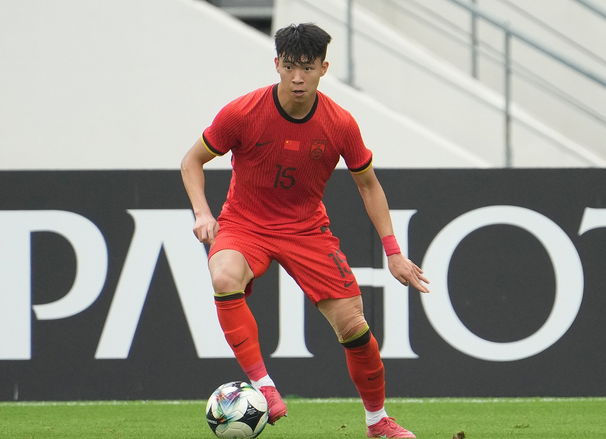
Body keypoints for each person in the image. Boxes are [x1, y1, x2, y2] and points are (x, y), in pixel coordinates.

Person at [181, 22, 430, 438]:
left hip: (306, 229)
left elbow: (369, 185)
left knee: (353, 324)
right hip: (245, 222)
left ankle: (377, 422)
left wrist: (393, 252)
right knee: (223, 275)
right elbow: (191, 161)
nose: (298, 78)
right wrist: (203, 214)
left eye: (308, 68)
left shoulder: (340, 124)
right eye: (290, 67)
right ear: (276, 64)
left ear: (323, 69)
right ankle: (264, 386)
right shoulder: (242, 113)